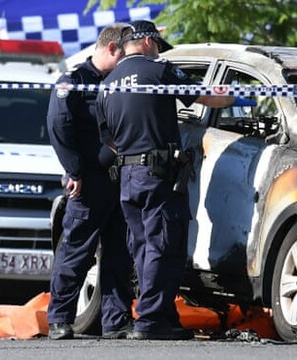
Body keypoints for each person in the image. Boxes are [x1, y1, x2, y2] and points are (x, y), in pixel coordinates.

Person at [95, 20, 250, 340]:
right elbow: (210, 98)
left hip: (128, 175)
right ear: (149, 41)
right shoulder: (158, 70)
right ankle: (151, 321)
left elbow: (107, 140)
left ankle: (162, 316)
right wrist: (240, 97)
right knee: (162, 247)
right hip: (158, 175)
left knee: (142, 248)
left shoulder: (107, 84)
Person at [46, 23, 135, 340]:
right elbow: (59, 128)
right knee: (76, 252)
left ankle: (116, 321)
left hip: (119, 180)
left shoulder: (119, 82)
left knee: (118, 254)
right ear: (112, 49)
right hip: (88, 181)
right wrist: (74, 172)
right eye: (125, 54)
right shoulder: (74, 81)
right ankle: (59, 318)